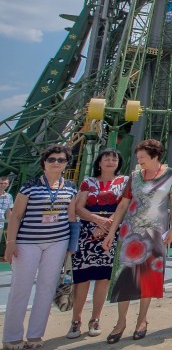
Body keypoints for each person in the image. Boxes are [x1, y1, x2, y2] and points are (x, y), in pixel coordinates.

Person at [102, 139, 172, 344]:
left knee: (148, 278)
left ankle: (142, 320)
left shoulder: (171, 175)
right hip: (130, 233)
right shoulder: (134, 177)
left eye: (143, 158)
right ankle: (120, 323)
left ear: (155, 156)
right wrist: (112, 231)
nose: (140, 161)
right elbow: (123, 205)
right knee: (124, 278)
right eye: (138, 158)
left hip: (155, 233)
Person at [2, 144, 79, 350]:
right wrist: (11, 244)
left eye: (61, 160)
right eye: (52, 159)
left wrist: (71, 247)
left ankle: (35, 336)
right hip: (28, 242)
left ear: (66, 164)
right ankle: (12, 337)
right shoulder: (29, 186)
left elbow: (71, 218)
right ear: (44, 162)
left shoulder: (71, 187)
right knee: (21, 288)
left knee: (46, 288)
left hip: (58, 242)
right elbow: (16, 217)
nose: (56, 163)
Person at [66, 149, 128, 339]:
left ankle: (95, 319)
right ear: (99, 162)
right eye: (106, 158)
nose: (110, 161)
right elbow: (78, 206)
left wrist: (107, 225)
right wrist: (96, 220)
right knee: (82, 279)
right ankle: (76, 320)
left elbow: (124, 206)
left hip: (111, 233)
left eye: (114, 159)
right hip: (88, 233)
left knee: (103, 279)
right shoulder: (88, 182)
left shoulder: (125, 182)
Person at [0, 174, 14, 254]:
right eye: (1, 183)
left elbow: (8, 212)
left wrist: (10, 226)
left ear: (8, 185)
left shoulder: (9, 197)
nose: (2, 185)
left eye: (5, 183)